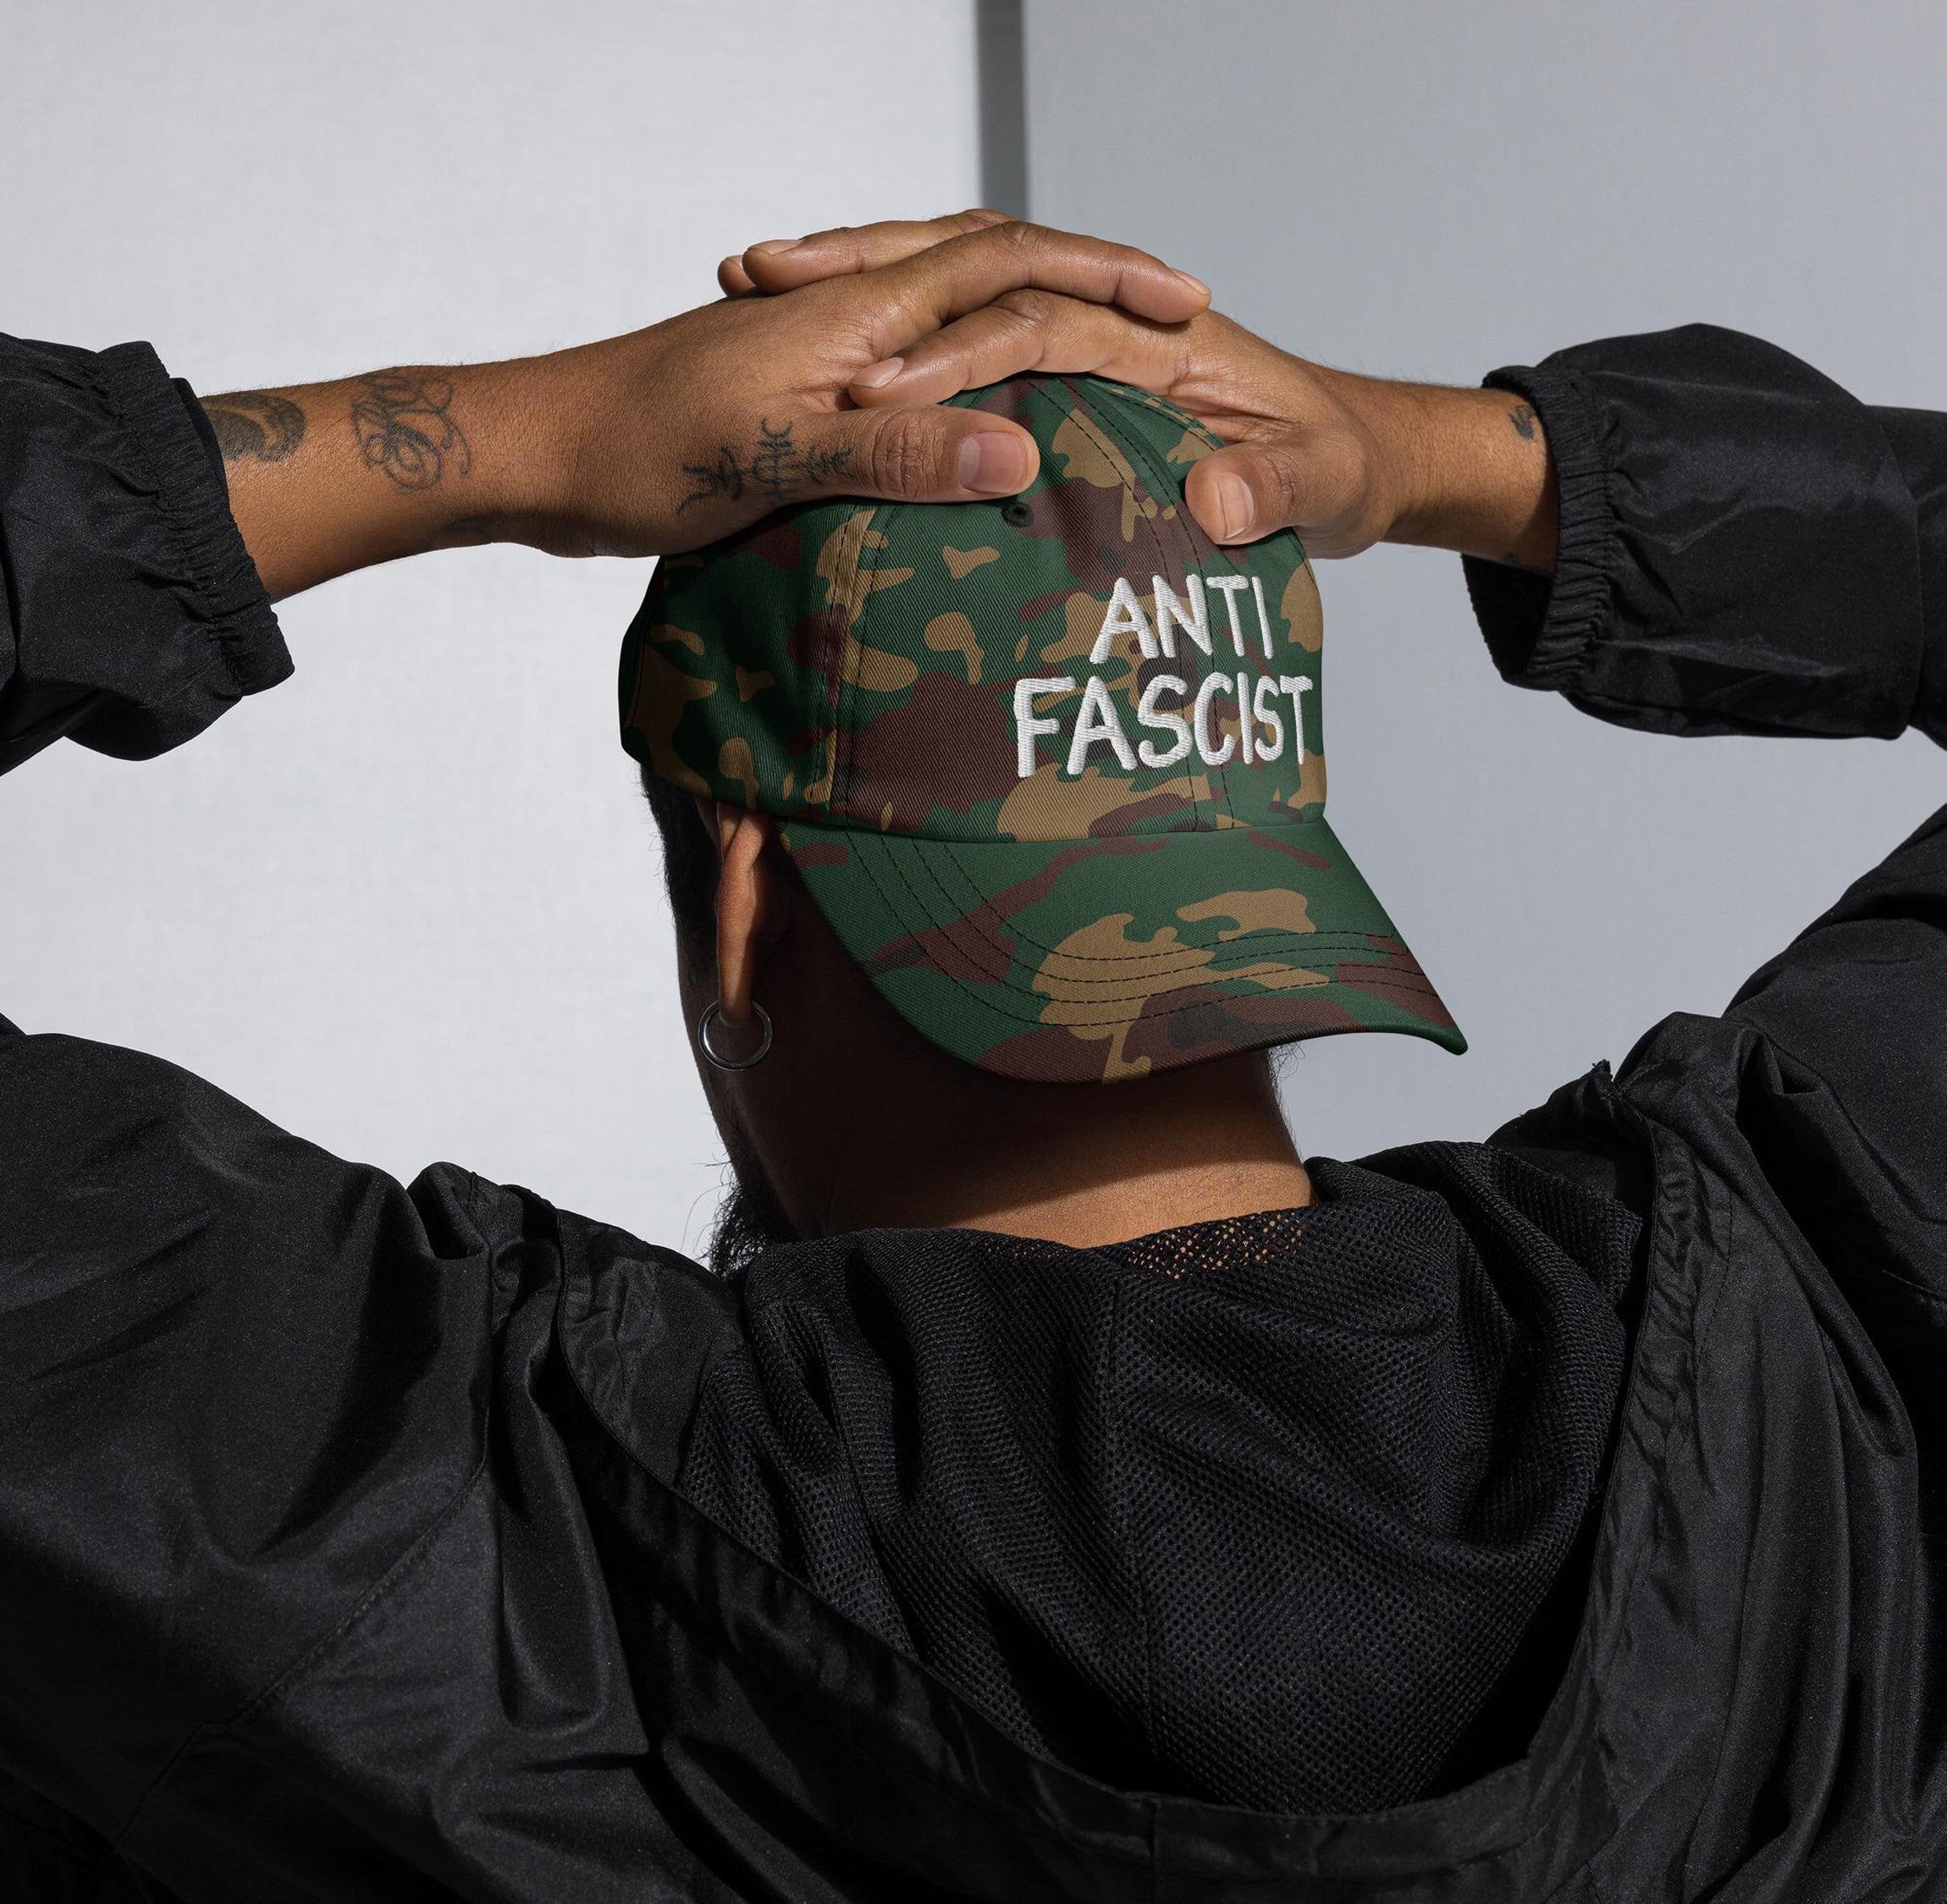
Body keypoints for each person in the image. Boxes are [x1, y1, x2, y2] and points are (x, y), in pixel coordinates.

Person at [0, 209, 1940, 1900]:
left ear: (743, 899)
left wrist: (498, 442)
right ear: (1275, 839)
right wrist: (1448, 460)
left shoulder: (419, 1522)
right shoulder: (1818, 1345)